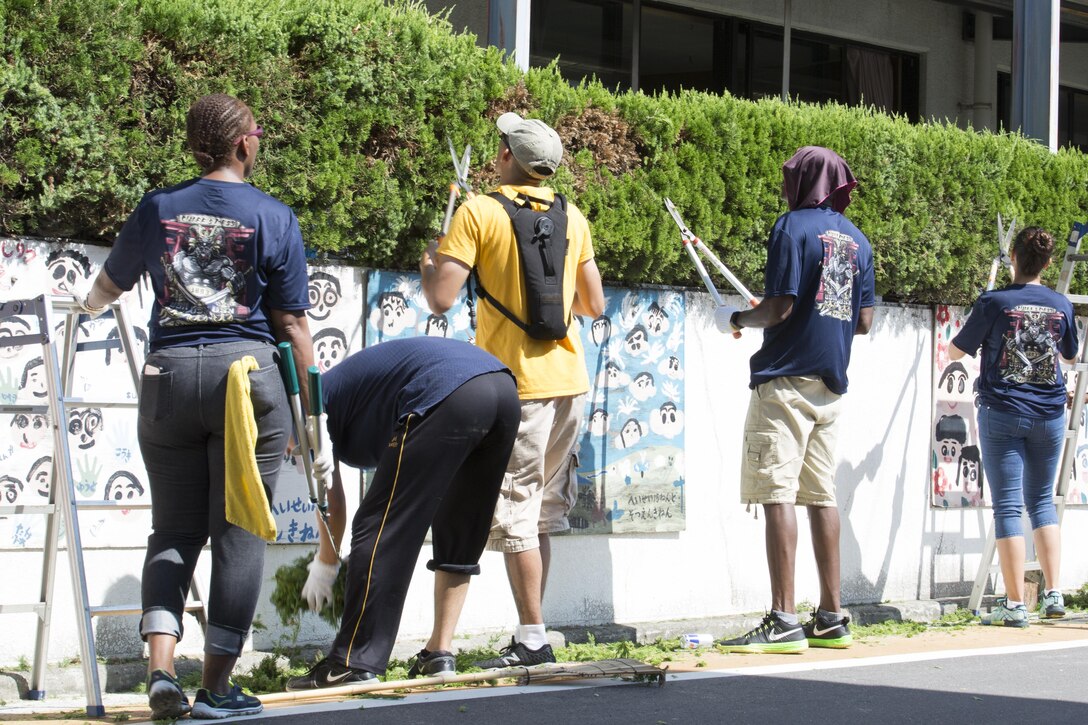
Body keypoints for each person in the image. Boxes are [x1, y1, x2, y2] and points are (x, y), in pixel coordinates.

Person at [75, 93, 316, 719]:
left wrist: (83, 311)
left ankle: (160, 672)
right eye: (257, 134)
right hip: (246, 380)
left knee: (174, 528)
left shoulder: (159, 207)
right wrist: (307, 408)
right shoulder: (273, 216)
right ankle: (215, 686)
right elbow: (290, 322)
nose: (259, 142)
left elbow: (107, 288)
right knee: (237, 533)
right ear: (241, 144)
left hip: (169, 377)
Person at [419, 112, 605, 667]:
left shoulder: (478, 211)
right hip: (570, 383)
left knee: (514, 512)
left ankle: (531, 640)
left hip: (515, 388)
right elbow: (592, 306)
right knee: (541, 512)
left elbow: (442, 299)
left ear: (506, 159)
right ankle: (530, 632)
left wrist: (432, 261)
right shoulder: (575, 217)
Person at [284, 337, 520, 688]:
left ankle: (352, 663)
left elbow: (332, 504)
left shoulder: (306, 411)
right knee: (460, 525)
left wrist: (326, 563)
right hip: (502, 391)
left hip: (445, 391)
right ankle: (438, 653)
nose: (289, 454)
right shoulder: (340, 398)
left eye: (284, 449)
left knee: (379, 527)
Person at [713, 146, 875, 653]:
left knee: (776, 492)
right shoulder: (857, 241)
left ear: (801, 182)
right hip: (831, 386)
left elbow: (779, 309)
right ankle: (831, 616)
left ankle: (783, 619)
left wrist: (738, 319)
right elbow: (865, 321)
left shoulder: (791, 227)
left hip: (784, 381)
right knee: (821, 496)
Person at [949, 226, 1077, 626]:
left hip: (1003, 412)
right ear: (1049, 263)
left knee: (1007, 506)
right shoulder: (1061, 304)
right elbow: (1070, 356)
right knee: (1041, 502)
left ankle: (1015, 604)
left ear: (1013, 259)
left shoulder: (995, 301)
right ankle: (1053, 594)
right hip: (1050, 415)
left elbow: (956, 349)